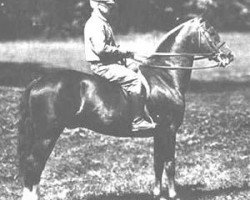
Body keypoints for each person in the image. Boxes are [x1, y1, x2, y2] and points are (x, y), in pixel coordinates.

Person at [84, 0, 156, 131]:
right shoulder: (95, 24)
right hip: (102, 66)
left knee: (137, 67)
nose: (110, 7)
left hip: (109, 62)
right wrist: (123, 52)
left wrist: (128, 57)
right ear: (97, 5)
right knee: (134, 81)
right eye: (106, 4)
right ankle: (137, 120)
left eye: (111, 5)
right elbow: (101, 49)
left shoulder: (103, 22)